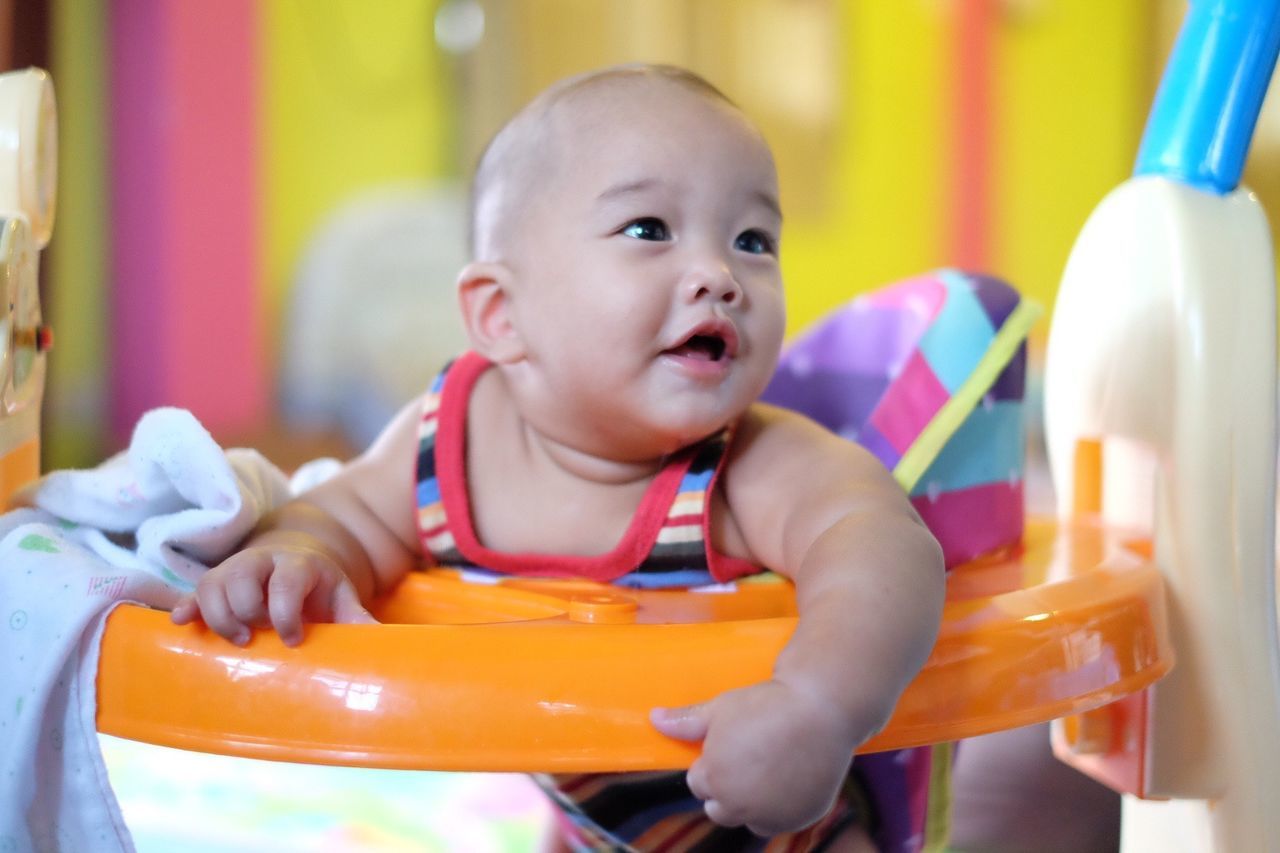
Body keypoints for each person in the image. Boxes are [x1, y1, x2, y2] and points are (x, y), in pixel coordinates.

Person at [170, 63, 946, 850]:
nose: (720, 275)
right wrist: (296, 551)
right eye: (649, 229)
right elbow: (348, 513)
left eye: (753, 240)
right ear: (502, 314)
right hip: (588, 825)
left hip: (783, 827)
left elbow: (887, 544)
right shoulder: (453, 439)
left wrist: (818, 703)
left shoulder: (747, 464)